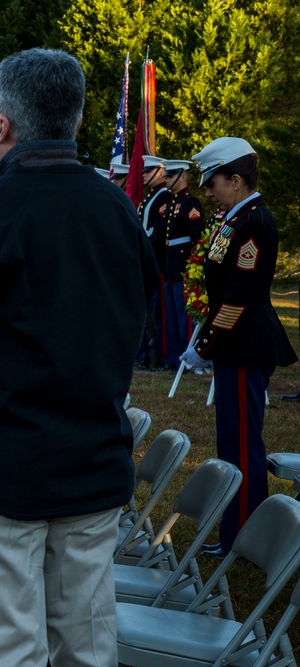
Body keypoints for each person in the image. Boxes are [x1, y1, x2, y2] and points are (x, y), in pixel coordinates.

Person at [0, 49, 157, 666]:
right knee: (85, 649)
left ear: (4, 126)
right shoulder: (116, 210)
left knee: (4, 651)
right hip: (90, 466)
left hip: (1, 470)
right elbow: (134, 327)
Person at [180, 137, 297, 557]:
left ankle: (245, 541)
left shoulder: (254, 222)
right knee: (232, 442)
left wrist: (205, 344)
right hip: (236, 344)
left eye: (214, 182)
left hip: (245, 343)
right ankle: (235, 534)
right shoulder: (235, 218)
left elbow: (239, 296)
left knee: (243, 446)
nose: (208, 190)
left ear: (236, 179)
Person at [162, 159, 206, 366]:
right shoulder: (171, 201)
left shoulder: (191, 202)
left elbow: (198, 236)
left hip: (183, 266)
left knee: (183, 317)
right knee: (171, 317)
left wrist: (193, 266)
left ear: (181, 176)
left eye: (170, 176)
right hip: (170, 266)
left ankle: (184, 358)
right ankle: (173, 358)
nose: (166, 179)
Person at [137, 155, 173, 369]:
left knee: (157, 315)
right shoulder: (151, 198)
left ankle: (156, 355)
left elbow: (158, 234)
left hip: (157, 263)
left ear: (160, 172)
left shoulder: (164, 197)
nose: (143, 175)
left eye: (148, 171)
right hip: (146, 259)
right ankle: (145, 355)